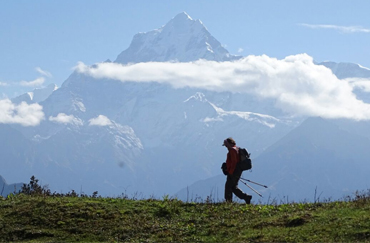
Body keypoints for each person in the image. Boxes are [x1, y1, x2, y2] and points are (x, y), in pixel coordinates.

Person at [222, 137, 252, 204]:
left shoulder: (232, 150)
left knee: (228, 186)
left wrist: (230, 171)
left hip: (234, 170)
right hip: (238, 170)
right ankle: (246, 197)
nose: (226, 146)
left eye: (226, 145)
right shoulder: (237, 148)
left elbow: (234, 162)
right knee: (233, 187)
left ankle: (228, 201)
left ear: (229, 143)